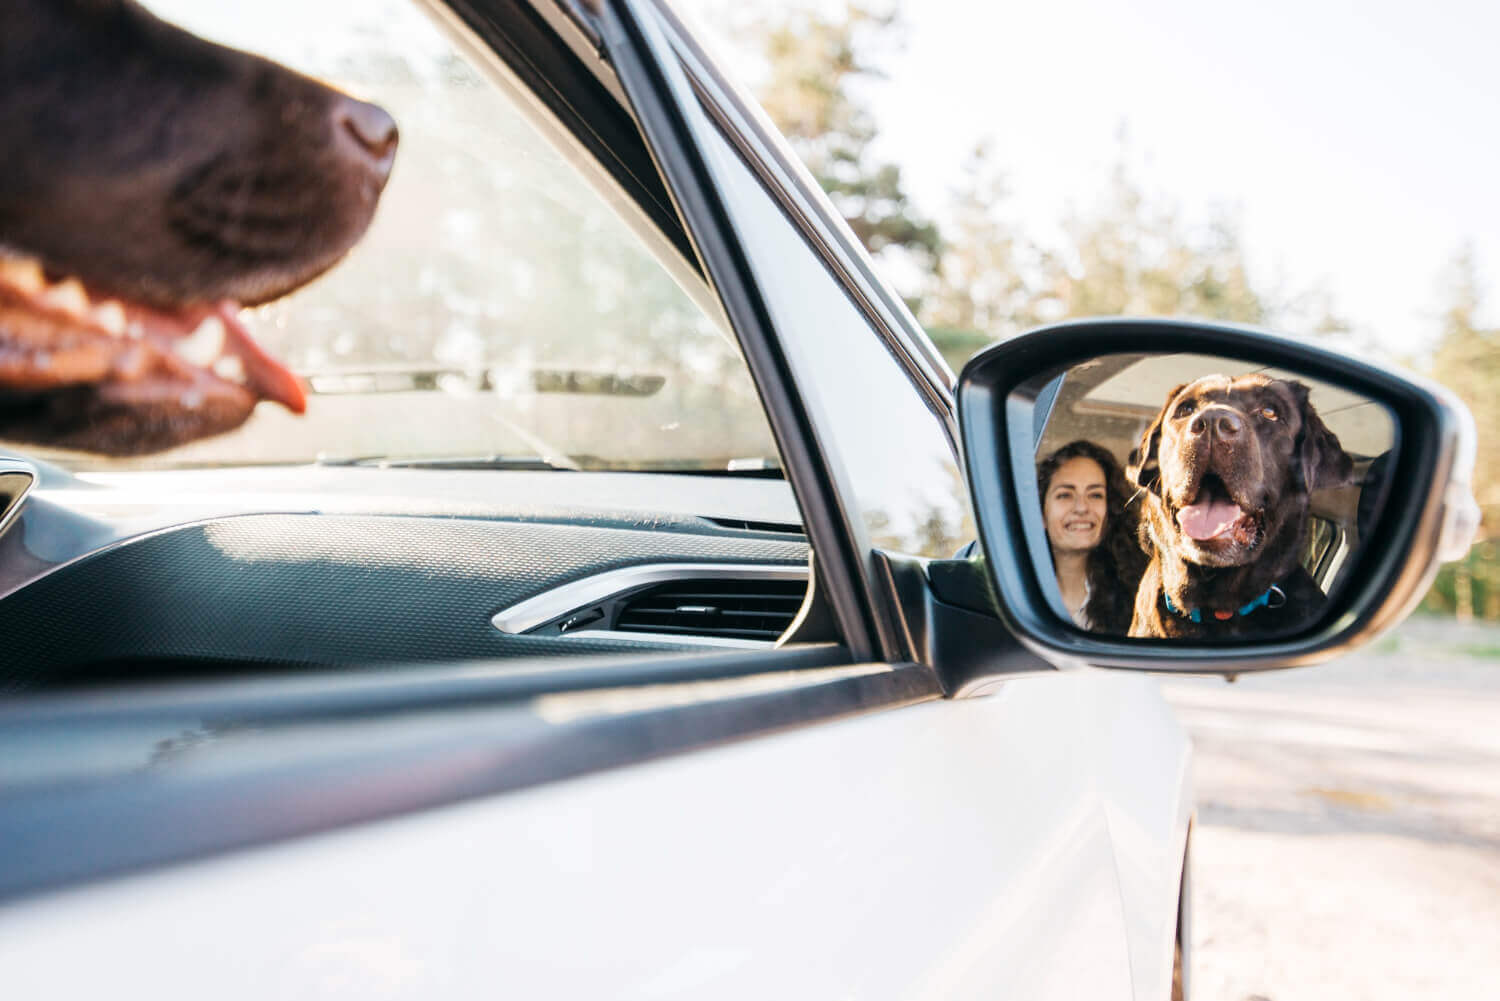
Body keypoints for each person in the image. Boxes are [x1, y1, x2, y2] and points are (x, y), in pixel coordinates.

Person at [1036, 440, 1146, 634]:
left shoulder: (1140, 601)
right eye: (1065, 495)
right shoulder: (1017, 593)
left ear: (1109, 512)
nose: (1081, 507)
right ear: (1041, 514)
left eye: (1095, 495)